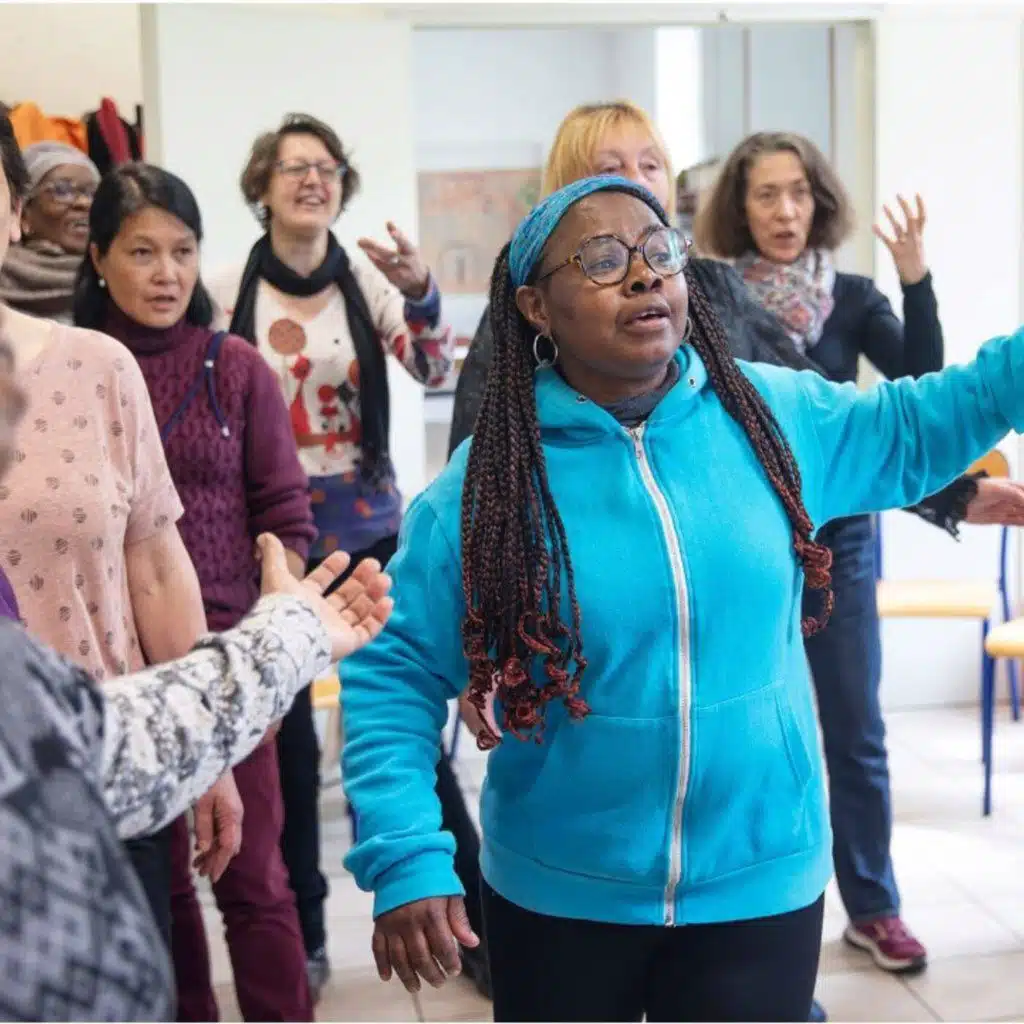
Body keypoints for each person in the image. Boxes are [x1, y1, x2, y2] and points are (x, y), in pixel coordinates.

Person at [339, 174, 1024, 1023]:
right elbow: (393, 672)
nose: (642, 274)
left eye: (660, 252)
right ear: (535, 308)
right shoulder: (485, 487)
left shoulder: (777, 417)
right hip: (563, 891)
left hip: (759, 875)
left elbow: (926, 421)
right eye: (600, 259)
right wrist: (406, 852)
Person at [0, 294, 393, 1017]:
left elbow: (94, 730)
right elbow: (83, 741)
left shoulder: (114, 367)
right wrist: (292, 632)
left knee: (254, 886)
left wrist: (283, 636)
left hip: (144, 746)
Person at [207, 112, 485, 999]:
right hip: (274, 546)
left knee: (406, 735)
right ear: (262, 186)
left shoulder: (367, 285)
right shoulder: (224, 288)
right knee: (285, 752)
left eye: (325, 167)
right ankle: (309, 930)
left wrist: (424, 291)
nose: (311, 180)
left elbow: (434, 369)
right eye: (292, 168)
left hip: (369, 531)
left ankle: (468, 921)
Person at [74, 162, 318, 1021]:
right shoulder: (71, 372)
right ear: (98, 257)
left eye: (183, 250)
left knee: (254, 880)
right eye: (143, 251)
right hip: (112, 673)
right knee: (159, 888)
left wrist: (271, 649)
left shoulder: (236, 368)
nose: (167, 272)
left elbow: (286, 517)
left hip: (224, 662)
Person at [0, 98, 244, 945]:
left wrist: (204, 751)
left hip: (102, 774)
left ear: (13, 209)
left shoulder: (93, 367)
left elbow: (154, 564)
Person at [0, 141, 99, 322]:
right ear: (23, 215)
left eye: (93, 193)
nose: (84, 203)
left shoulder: (116, 283)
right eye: (62, 190)